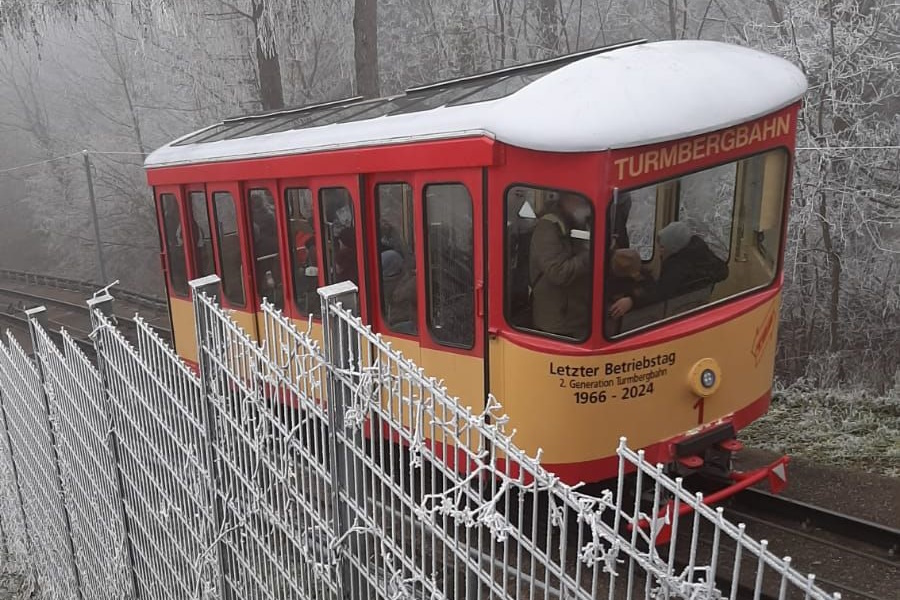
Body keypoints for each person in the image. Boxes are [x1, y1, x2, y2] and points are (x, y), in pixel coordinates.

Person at [609, 221, 728, 317]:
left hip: (676, 312)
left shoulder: (677, 267)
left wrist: (632, 300)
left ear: (674, 248)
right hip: (694, 306)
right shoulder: (701, 254)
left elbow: (659, 293)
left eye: (662, 247)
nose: (659, 251)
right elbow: (724, 272)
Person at [529, 194, 592, 338]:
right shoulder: (548, 227)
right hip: (558, 321)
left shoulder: (578, 221)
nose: (587, 208)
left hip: (579, 312)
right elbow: (558, 273)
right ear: (568, 200)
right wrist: (592, 253)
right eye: (583, 202)